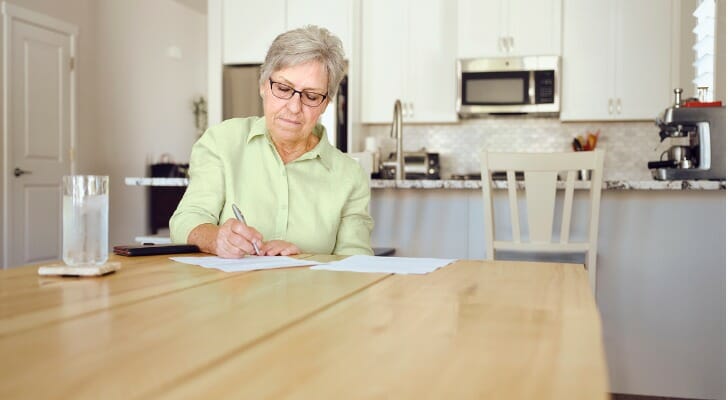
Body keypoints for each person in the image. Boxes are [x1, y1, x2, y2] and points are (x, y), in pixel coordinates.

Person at [170, 25, 374, 258]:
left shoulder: (350, 175)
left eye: (311, 96)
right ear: (263, 85)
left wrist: (304, 258)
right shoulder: (222, 142)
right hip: (231, 293)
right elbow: (187, 219)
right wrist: (215, 239)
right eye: (283, 88)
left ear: (326, 103)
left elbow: (357, 262)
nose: (294, 108)